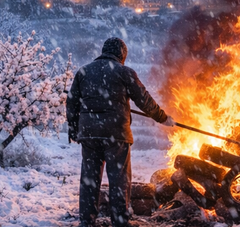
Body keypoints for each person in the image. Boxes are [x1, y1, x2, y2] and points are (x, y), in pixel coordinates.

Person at [66, 37, 175, 227]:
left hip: (90, 134)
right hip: (116, 134)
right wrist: (162, 118)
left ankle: (86, 221)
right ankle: (120, 222)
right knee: (119, 181)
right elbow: (144, 100)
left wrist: (74, 130)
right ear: (122, 55)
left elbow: (72, 103)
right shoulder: (125, 72)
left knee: (89, 180)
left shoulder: (83, 72)